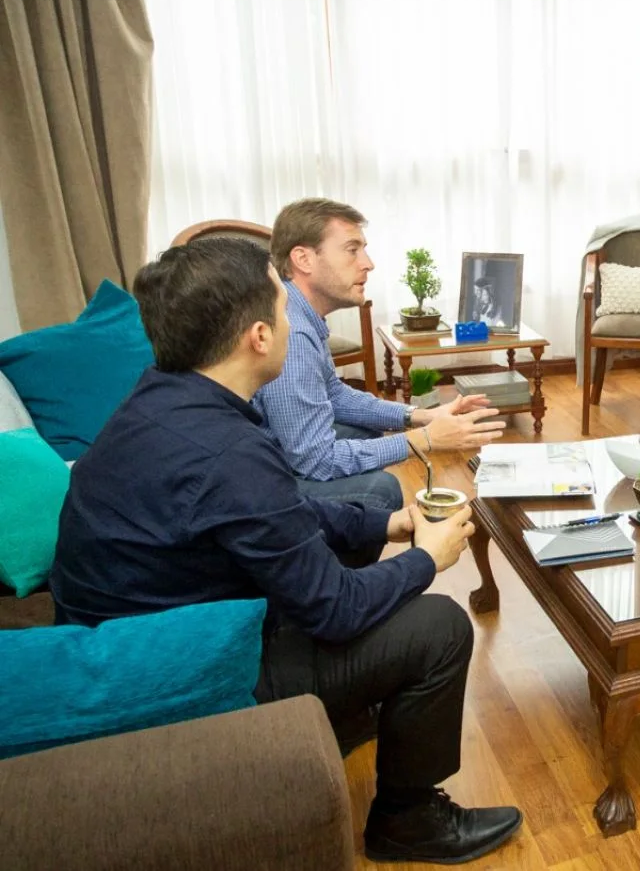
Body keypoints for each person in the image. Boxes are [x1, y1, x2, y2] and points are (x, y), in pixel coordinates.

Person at [49, 236, 523, 864]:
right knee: (438, 625)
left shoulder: (163, 397)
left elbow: (277, 515)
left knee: (363, 511)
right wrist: (427, 558)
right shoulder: (226, 450)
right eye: (281, 308)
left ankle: (348, 710)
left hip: (136, 633)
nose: (290, 321)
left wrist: (387, 528)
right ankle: (409, 822)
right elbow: (336, 610)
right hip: (171, 677)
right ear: (259, 337)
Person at [254, 198, 505, 512]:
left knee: (366, 433)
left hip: (271, 448)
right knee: (381, 491)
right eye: (352, 249)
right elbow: (315, 461)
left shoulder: (300, 313)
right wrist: (425, 439)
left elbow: (333, 393)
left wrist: (419, 416)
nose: (368, 263)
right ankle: (326, 559)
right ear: (303, 259)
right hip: (252, 477)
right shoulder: (293, 333)